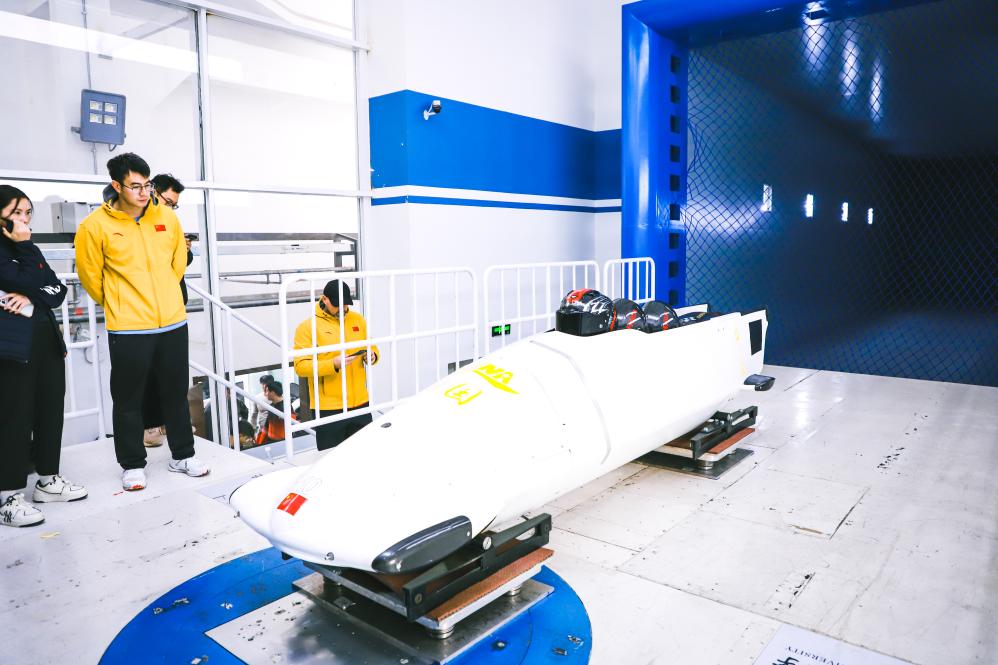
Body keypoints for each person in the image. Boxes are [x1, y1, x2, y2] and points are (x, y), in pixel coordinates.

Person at [75, 153, 209, 491]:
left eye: (147, 185)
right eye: (135, 186)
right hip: (129, 326)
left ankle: (183, 455)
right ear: (116, 186)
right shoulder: (95, 226)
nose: (143, 192)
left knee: (175, 393)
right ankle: (133, 464)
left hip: (172, 322)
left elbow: (178, 262)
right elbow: (90, 275)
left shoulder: (166, 218)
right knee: (128, 399)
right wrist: (120, 303)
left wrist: (165, 294)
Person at [0, 185, 87, 526]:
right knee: (15, 419)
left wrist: (31, 295)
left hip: (46, 342)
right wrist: (26, 254)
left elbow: (56, 291)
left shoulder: (28, 248)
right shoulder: (20, 248)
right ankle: (8, 496)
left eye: (27, 213)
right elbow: (19, 278)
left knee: (50, 412)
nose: (24, 220)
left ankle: (48, 480)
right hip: (12, 349)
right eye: (15, 213)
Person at [139, 174, 193, 448]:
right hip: (145, 311)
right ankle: (149, 426)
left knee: (173, 373)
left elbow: (178, 265)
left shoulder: (170, 223)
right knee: (148, 373)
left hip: (173, 308)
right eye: (168, 202)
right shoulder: (138, 224)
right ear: (152, 193)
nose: (171, 208)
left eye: (174, 205)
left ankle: (169, 423)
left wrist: (184, 250)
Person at [294, 279, 379, 450]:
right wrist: (333, 364)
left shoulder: (358, 319)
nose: (343, 308)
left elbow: (371, 345)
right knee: (330, 459)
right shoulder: (307, 327)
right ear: (324, 299)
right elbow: (300, 366)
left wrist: (372, 355)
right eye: (337, 305)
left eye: (346, 304)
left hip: (360, 403)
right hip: (329, 409)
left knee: (366, 454)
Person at [254, 380, 292, 446]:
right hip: (271, 442)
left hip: (283, 443)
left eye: (266, 391)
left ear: (273, 393)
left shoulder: (286, 407)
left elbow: (291, 425)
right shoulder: (271, 406)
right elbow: (266, 426)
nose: (265, 394)